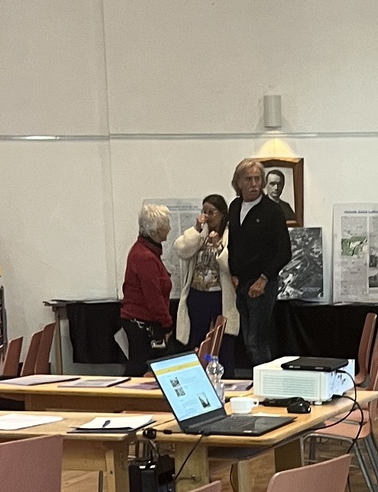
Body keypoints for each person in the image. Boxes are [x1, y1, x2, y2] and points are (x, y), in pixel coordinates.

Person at [225, 157, 291, 374]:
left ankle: (268, 384)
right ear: (238, 182)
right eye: (248, 179)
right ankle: (259, 382)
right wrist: (233, 273)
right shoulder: (234, 207)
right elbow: (233, 243)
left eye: (257, 179)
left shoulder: (272, 211)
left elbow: (284, 251)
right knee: (247, 340)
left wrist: (264, 279)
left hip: (262, 284)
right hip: (240, 284)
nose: (254, 184)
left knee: (257, 342)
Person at [172, 194, 239, 350]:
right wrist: (196, 229)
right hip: (197, 293)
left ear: (222, 214)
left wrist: (218, 247)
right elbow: (182, 250)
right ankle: (198, 364)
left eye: (211, 212)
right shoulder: (200, 235)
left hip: (219, 295)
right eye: (204, 212)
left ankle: (222, 365)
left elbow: (231, 265)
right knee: (197, 338)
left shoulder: (230, 235)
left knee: (221, 340)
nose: (207, 217)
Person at [119, 203, 173, 376]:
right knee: (138, 369)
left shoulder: (145, 251)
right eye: (166, 225)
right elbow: (153, 297)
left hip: (141, 321)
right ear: (156, 231)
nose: (169, 228)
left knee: (140, 367)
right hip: (142, 324)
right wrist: (167, 325)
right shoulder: (145, 257)